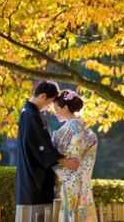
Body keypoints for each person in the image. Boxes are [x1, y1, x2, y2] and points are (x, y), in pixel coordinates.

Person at [15, 81, 81, 222]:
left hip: (29, 175)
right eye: (50, 102)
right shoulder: (31, 116)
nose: (49, 107)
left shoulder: (28, 112)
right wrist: (65, 161)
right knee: (37, 215)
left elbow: (41, 144)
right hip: (35, 178)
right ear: (43, 96)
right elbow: (41, 145)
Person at [52, 89, 99, 222]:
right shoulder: (87, 131)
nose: (55, 113)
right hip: (83, 183)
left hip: (68, 183)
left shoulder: (66, 131)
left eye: (56, 108)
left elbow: (62, 158)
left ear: (65, 107)